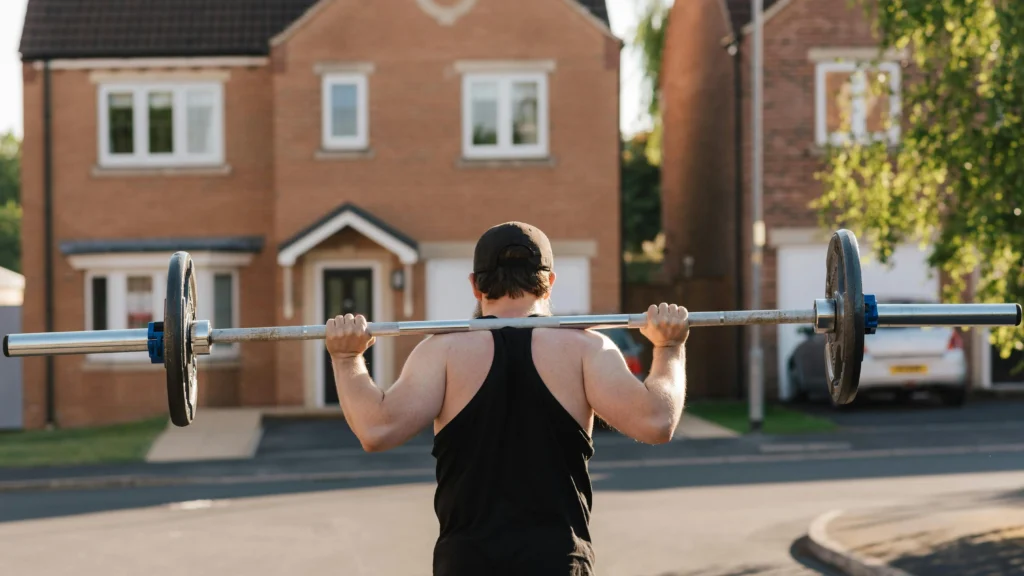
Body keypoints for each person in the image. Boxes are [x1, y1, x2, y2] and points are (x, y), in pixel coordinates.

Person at [325, 221, 689, 576]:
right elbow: (657, 422)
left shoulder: (441, 352)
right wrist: (669, 347)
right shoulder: (586, 349)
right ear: (548, 283)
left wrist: (346, 358)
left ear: (475, 285)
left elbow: (376, 429)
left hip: (466, 563)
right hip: (556, 561)